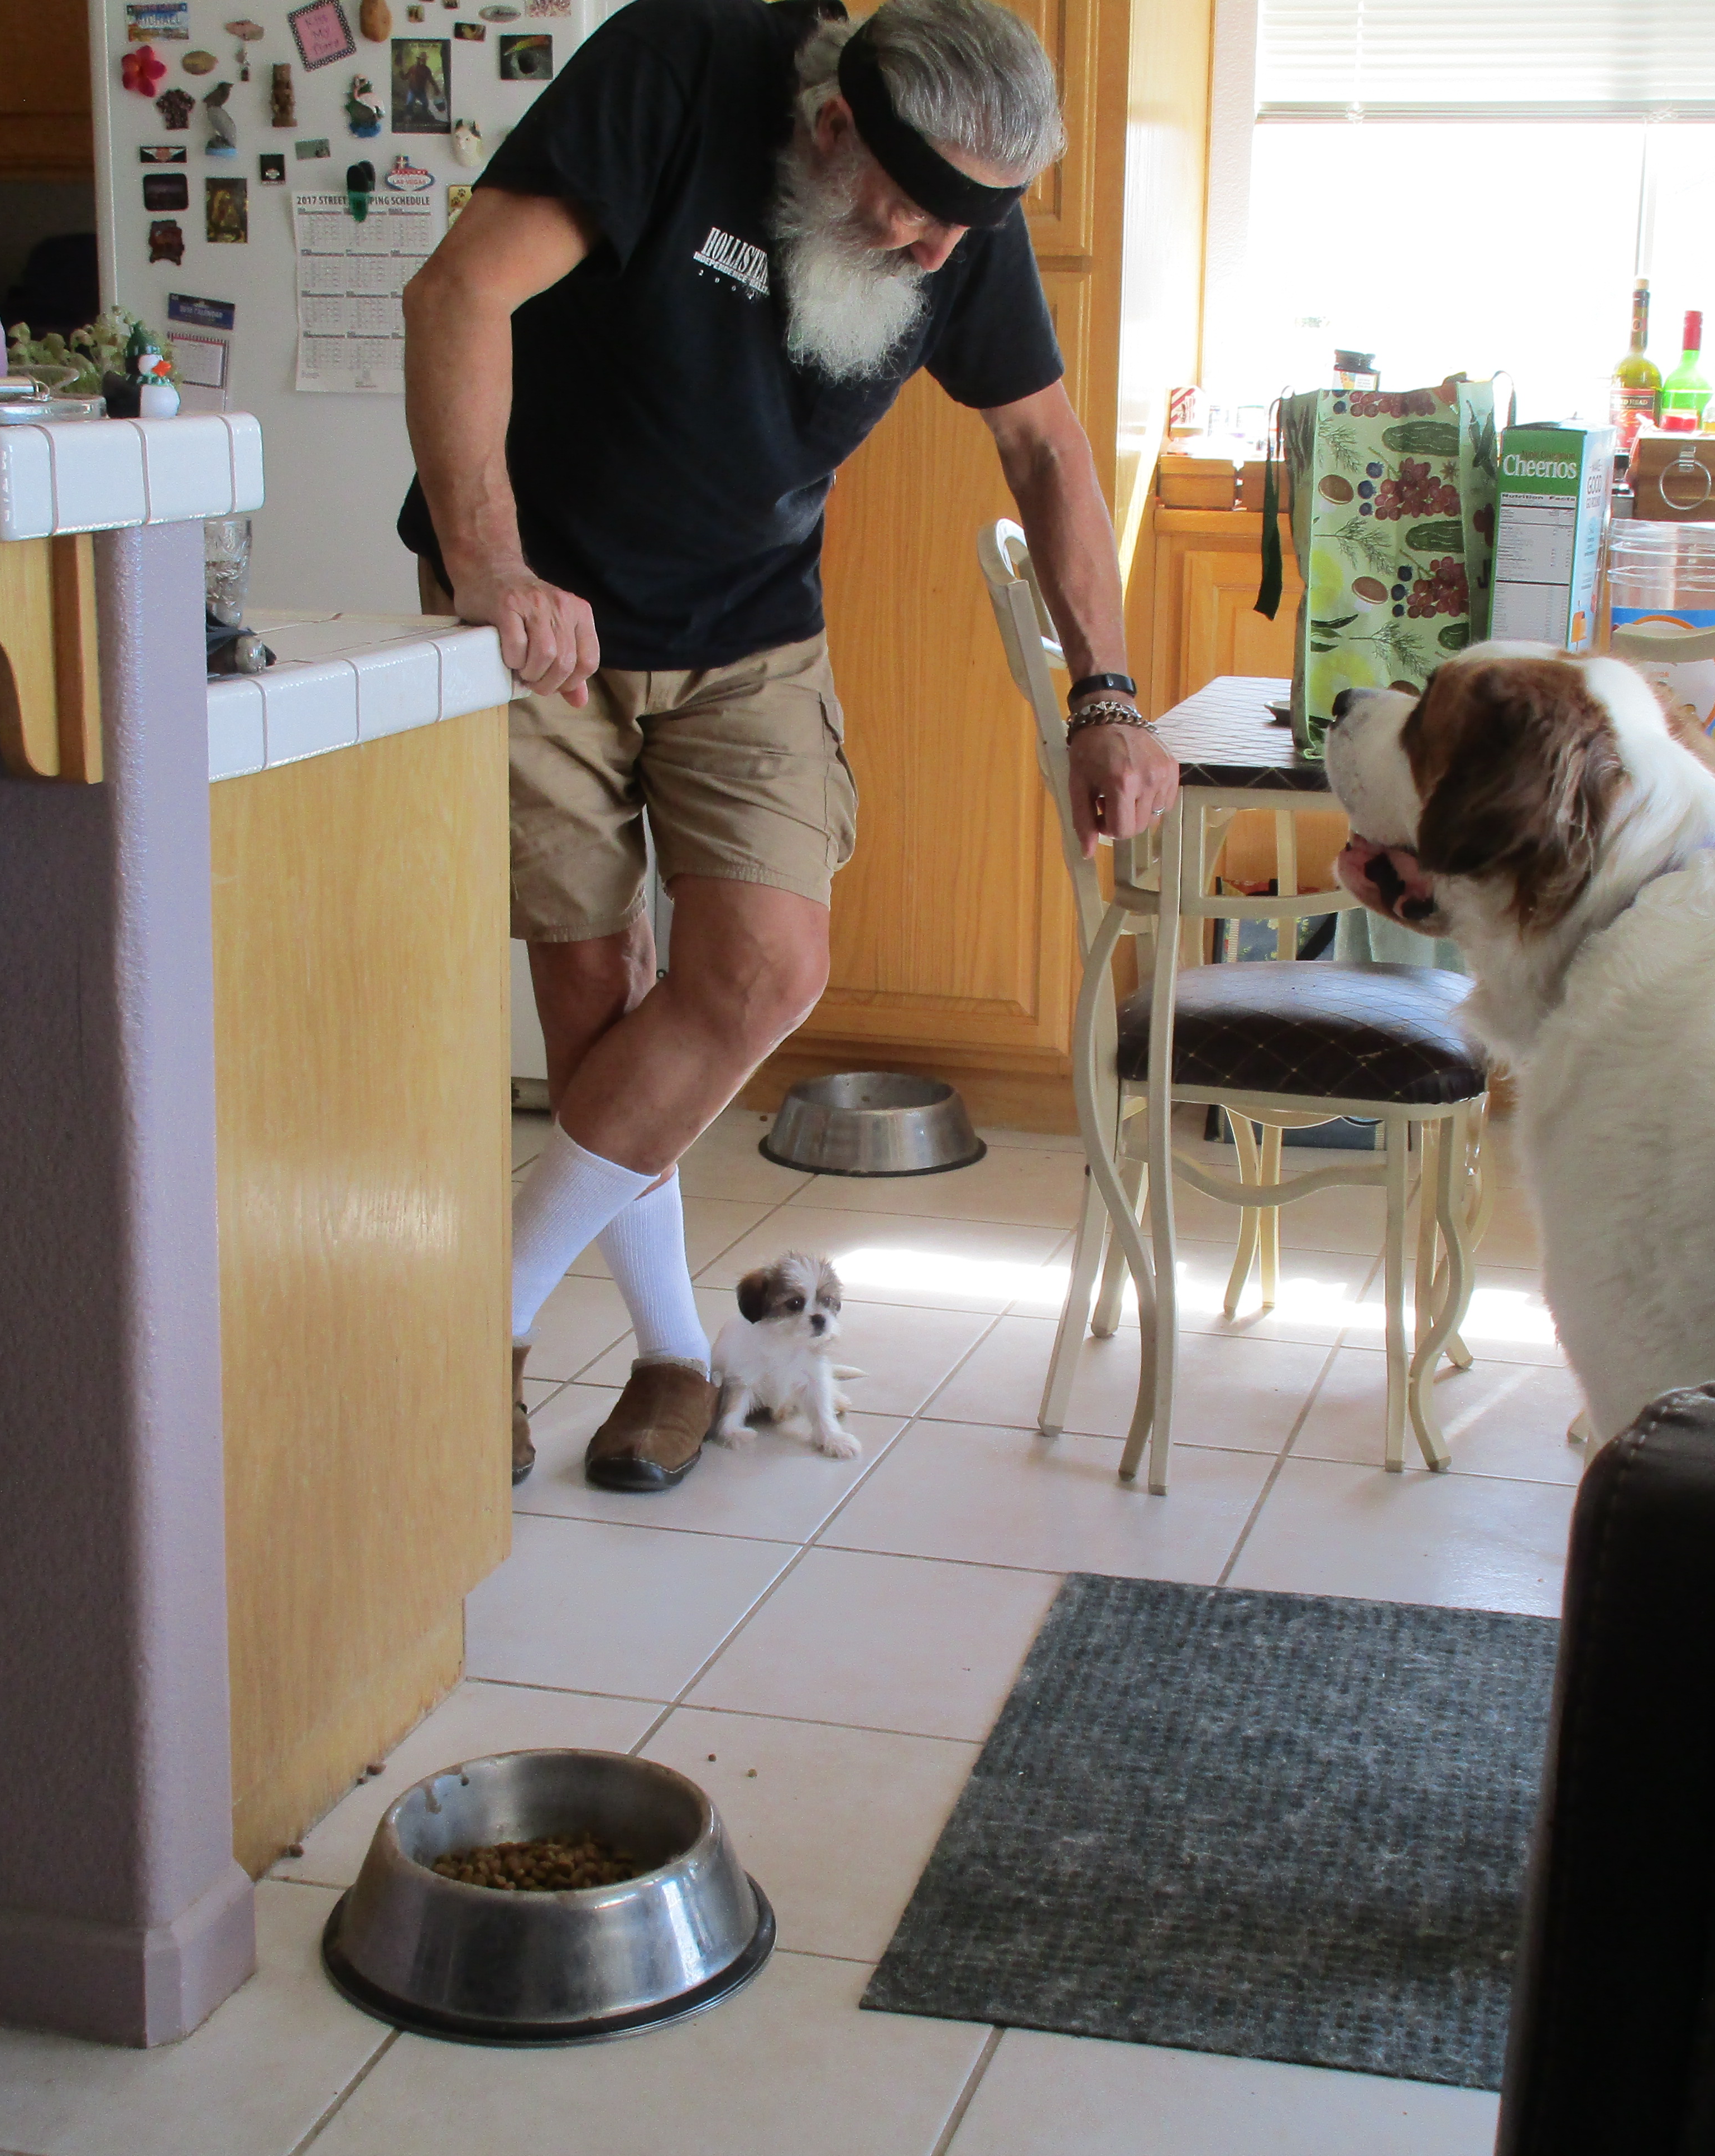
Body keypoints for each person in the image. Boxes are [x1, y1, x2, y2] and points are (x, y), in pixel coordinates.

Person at [400, 0, 1179, 1494]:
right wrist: (491, 566)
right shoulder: (678, 70)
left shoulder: (962, 212)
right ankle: (673, 1361)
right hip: (542, 613)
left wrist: (1108, 695)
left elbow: (1046, 445)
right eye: (918, 215)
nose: (941, 255)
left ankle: (474, 1319)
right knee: (592, 1000)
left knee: (761, 971)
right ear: (834, 128)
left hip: (751, 629)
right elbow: (460, 292)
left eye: (970, 228)